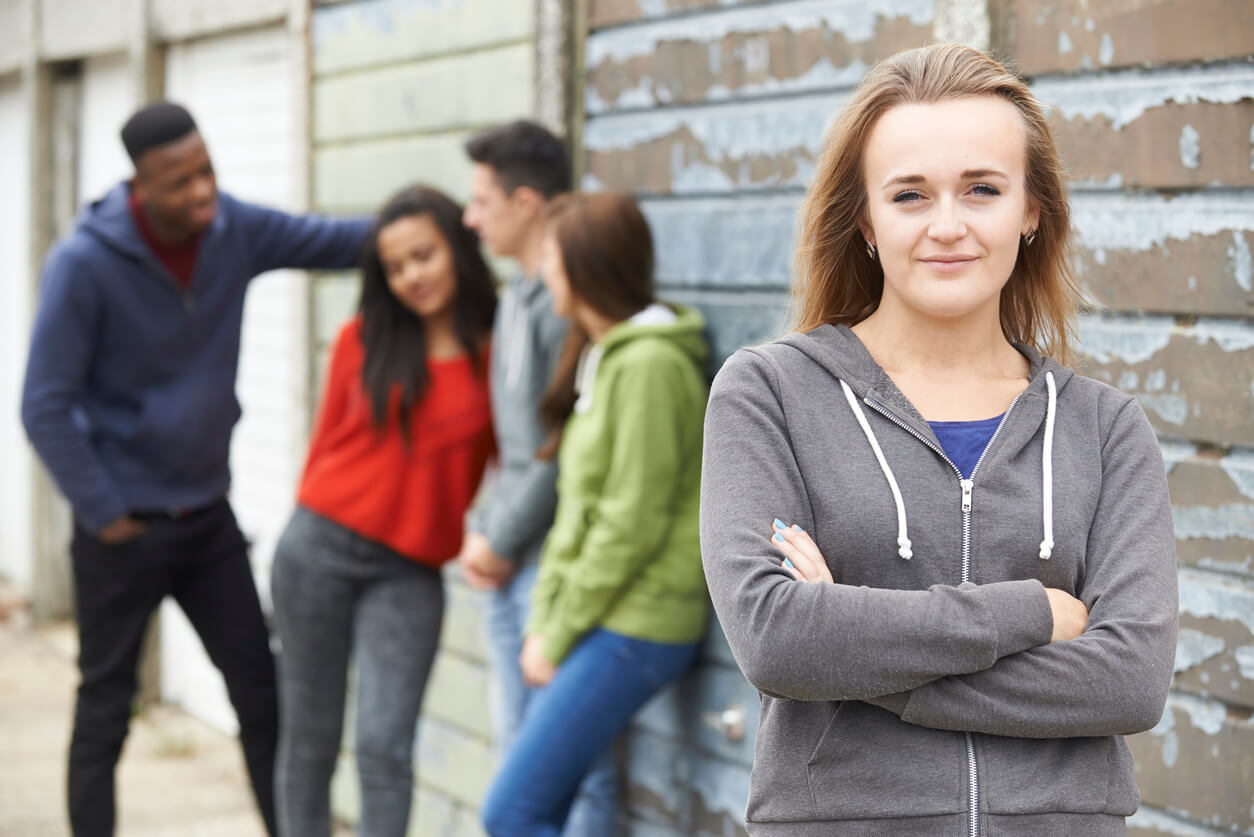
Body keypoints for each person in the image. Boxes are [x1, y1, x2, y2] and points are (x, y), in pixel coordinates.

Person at [699, 44, 1178, 837]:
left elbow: (1129, 682)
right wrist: (1029, 611)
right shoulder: (771, 393)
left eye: (982, 190)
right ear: (866, 219)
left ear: (1032, 211)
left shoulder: (1104, 426)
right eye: (911, 195)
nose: (947, 225)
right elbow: (777, 639)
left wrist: (860, 661)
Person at [20, 101, 371, 837]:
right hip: (123, 532)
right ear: (141, 187)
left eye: (207, 170)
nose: (202, 191)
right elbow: (43, 405)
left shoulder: (233, 230)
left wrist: (430, 224)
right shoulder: (85, 263)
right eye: (181, 182)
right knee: (106, 706)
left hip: (207, 519)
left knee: (260, 694)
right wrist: (105, 510)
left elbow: (337, 241)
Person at [481, 192, 711, 836]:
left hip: (639, 624)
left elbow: (628, 520)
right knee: (543, 803)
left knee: (513, 811)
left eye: (550, 260)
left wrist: (556, 633)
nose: (543, 274)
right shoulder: (605, 356)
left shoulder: (650, 366)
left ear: (581, 267)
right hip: (600, 617)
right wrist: (546, 622)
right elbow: (577, 514)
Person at [270, 185, 497, 837]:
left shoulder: (498, 348)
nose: (411, 277)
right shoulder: (359, 339)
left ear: (456, 246)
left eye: (423, 255)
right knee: (310, 742)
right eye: (395, 267)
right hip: (317, 550)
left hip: (409, 572)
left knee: (383, 747)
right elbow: (323, 453)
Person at [457, 121, 617, 834]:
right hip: (511, 555)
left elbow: (561, 447)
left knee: (568, 771)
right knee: (521, 760)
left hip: (546, 562)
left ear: (526, 203)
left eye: (481, 200)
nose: (470, 217)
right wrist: (485, 530)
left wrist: (500, 535)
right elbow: (516, 448)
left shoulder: (559, 309)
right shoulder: (520, 296)